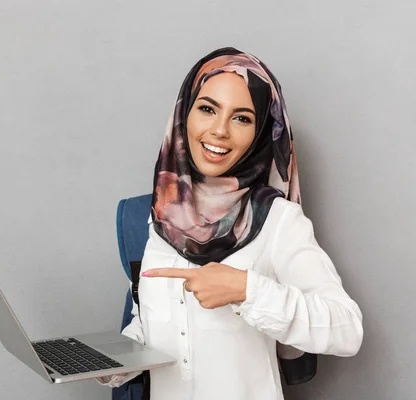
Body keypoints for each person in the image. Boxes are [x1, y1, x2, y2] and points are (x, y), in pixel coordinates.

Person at [98, 47, 363, 400]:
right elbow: (149, 322)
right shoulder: (153, 215)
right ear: (184, 114)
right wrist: (116, 364)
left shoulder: (277, 219)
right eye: (207, 109)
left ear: (261, 132)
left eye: (242, 118)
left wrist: (247, 290)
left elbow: (347, 329)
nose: (219, 130)